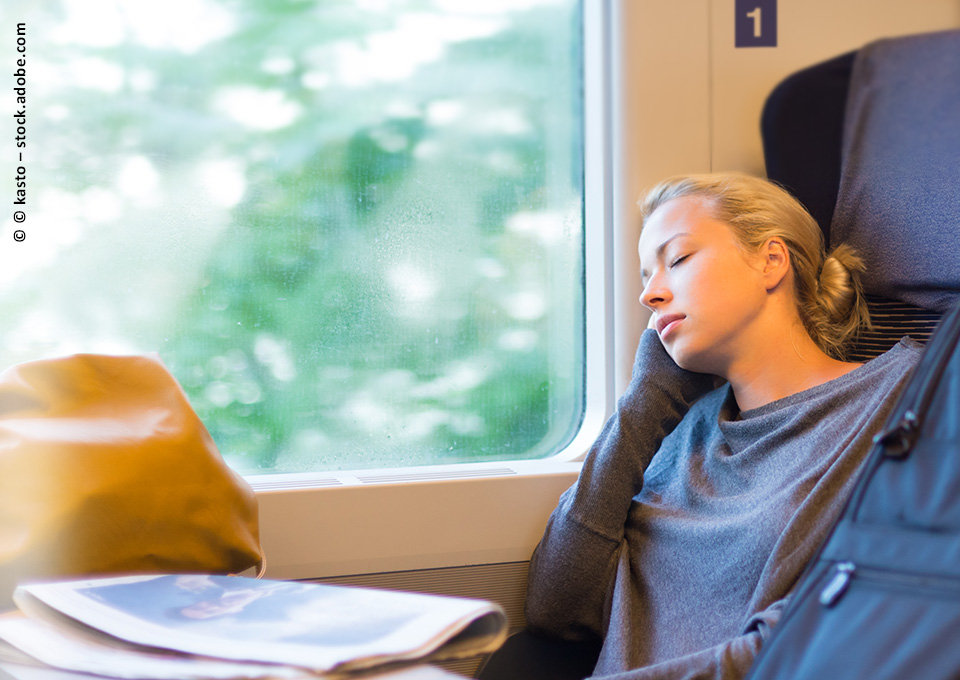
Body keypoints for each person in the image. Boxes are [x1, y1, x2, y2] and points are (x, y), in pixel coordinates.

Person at [488, 173, 923, 680]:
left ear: (771, 262)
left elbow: (827, 635)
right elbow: (557, 609)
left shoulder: (905, 399)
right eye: (645, 276)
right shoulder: (679, 431)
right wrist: (646, 402)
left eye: (677, 260)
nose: (649, 295)